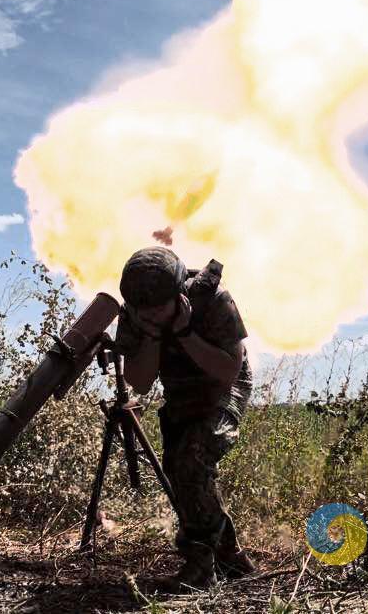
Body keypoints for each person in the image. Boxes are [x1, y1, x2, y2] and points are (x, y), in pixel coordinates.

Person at [113, 246, 257, 590]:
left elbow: (227, 369)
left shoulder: (214, 301)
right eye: (141, 311)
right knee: (181, 471)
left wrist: (182, 333)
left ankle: (200, 566)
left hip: (224, 386)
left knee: (191, 458)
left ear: (179, 295)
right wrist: (150, 334)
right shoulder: (134, 316)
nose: (148, 316)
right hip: (179, 390)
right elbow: (142, 381)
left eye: (156, 310)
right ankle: (231, 557)